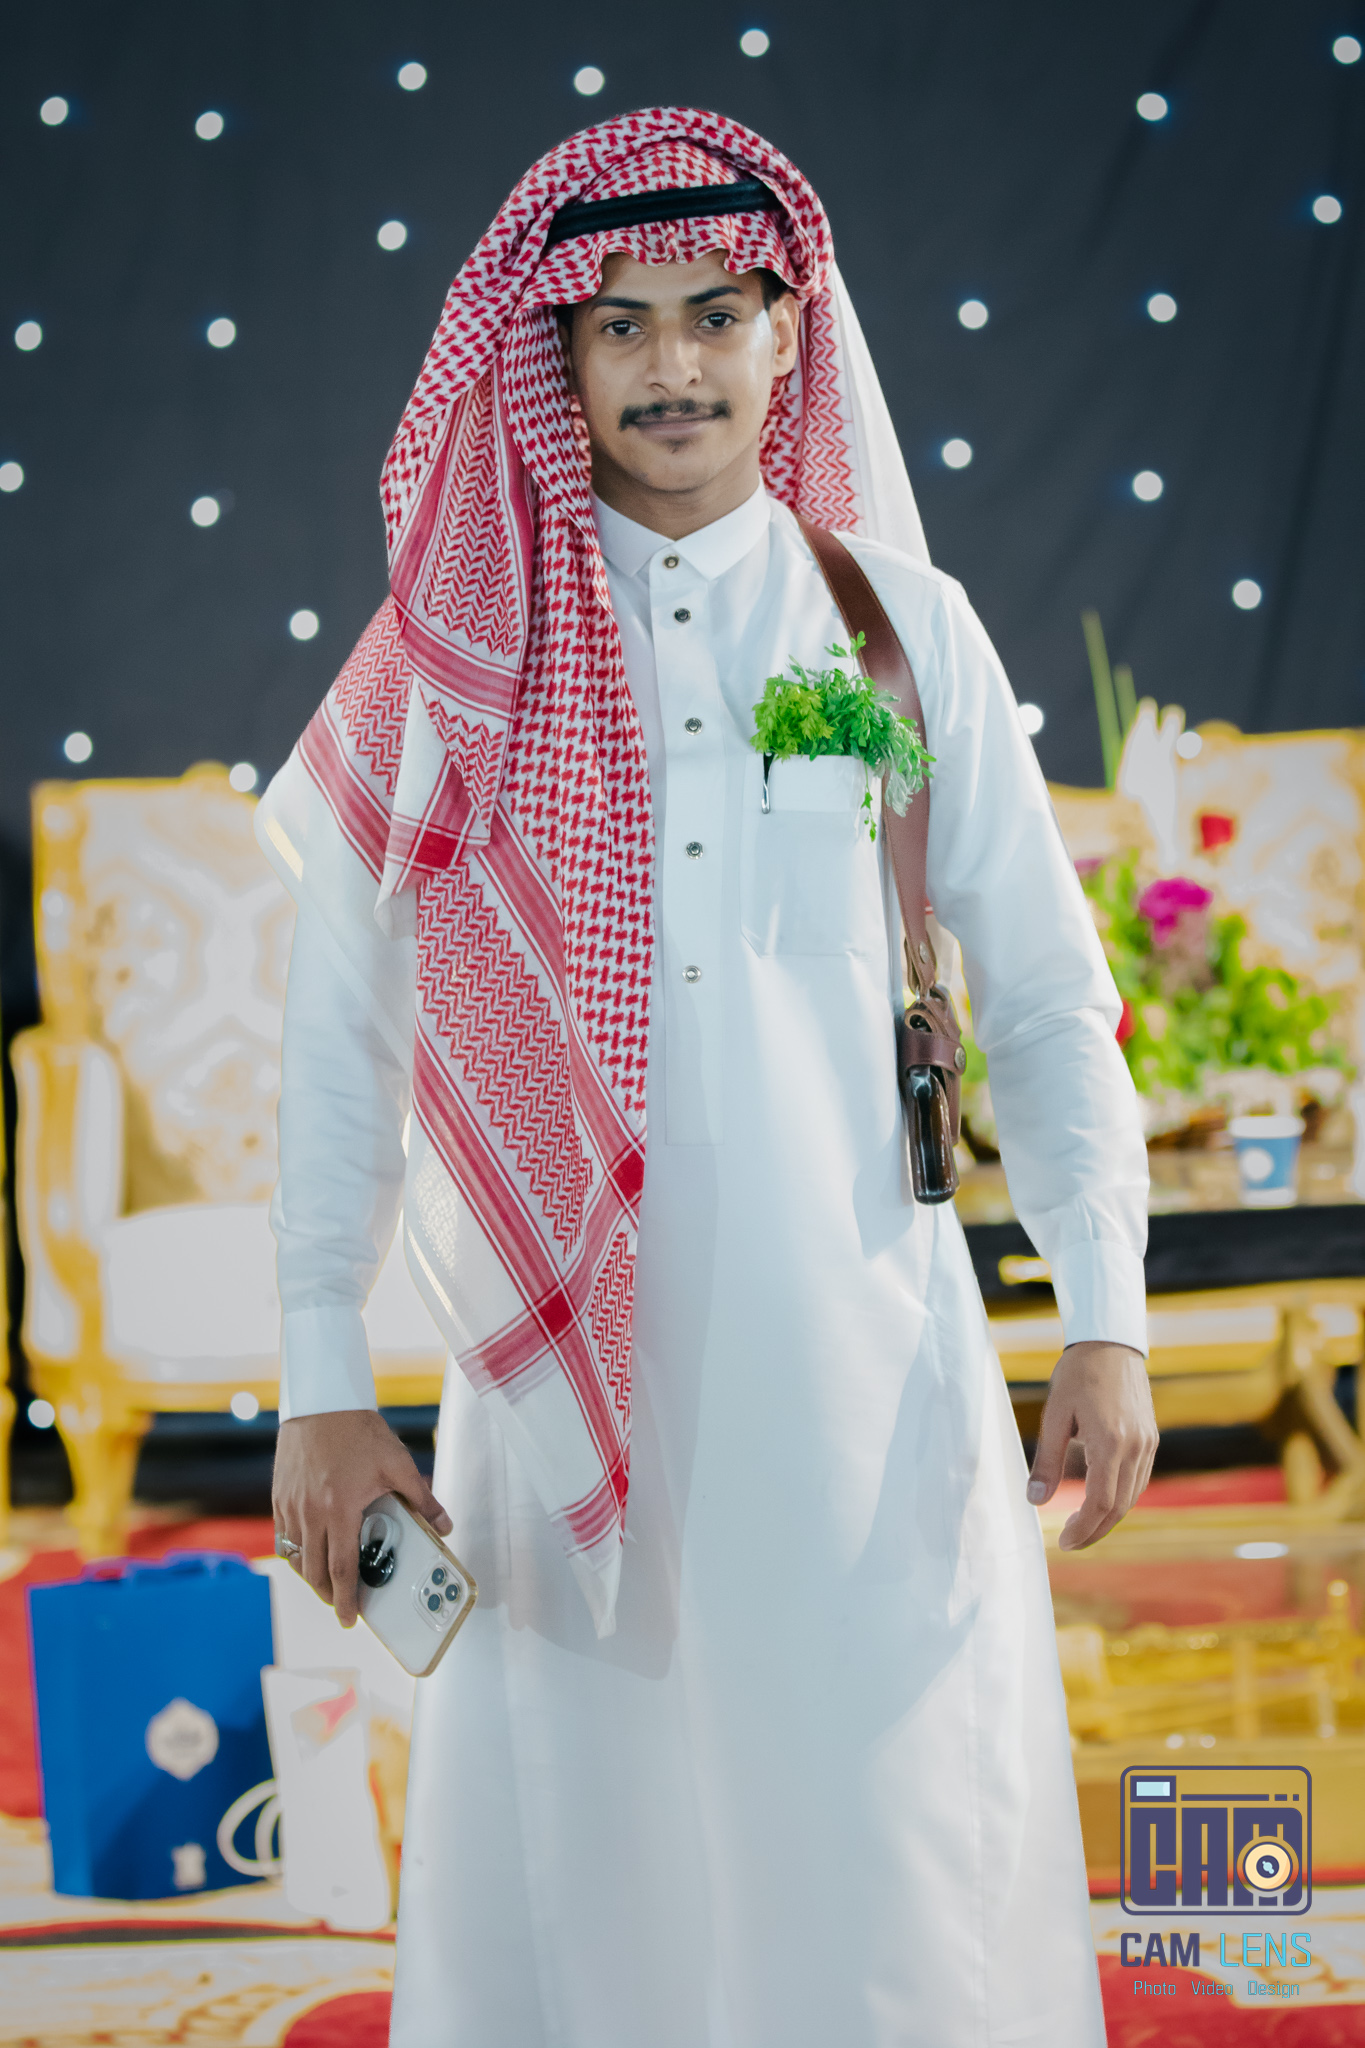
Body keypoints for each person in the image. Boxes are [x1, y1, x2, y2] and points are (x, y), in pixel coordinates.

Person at [261, 107, 1156, 2047]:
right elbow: (338, 1037)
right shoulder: (446, 665)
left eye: (715, 315)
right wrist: (322, 1379)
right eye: (619, 325)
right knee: (589, 1868)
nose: (671, 365)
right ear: (555, 357)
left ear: (787, 335)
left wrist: (1105, 1314)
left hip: (858, 1371)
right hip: (553, 1385)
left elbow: (1043, 1004)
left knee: (886, 1847)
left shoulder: (896, 634)